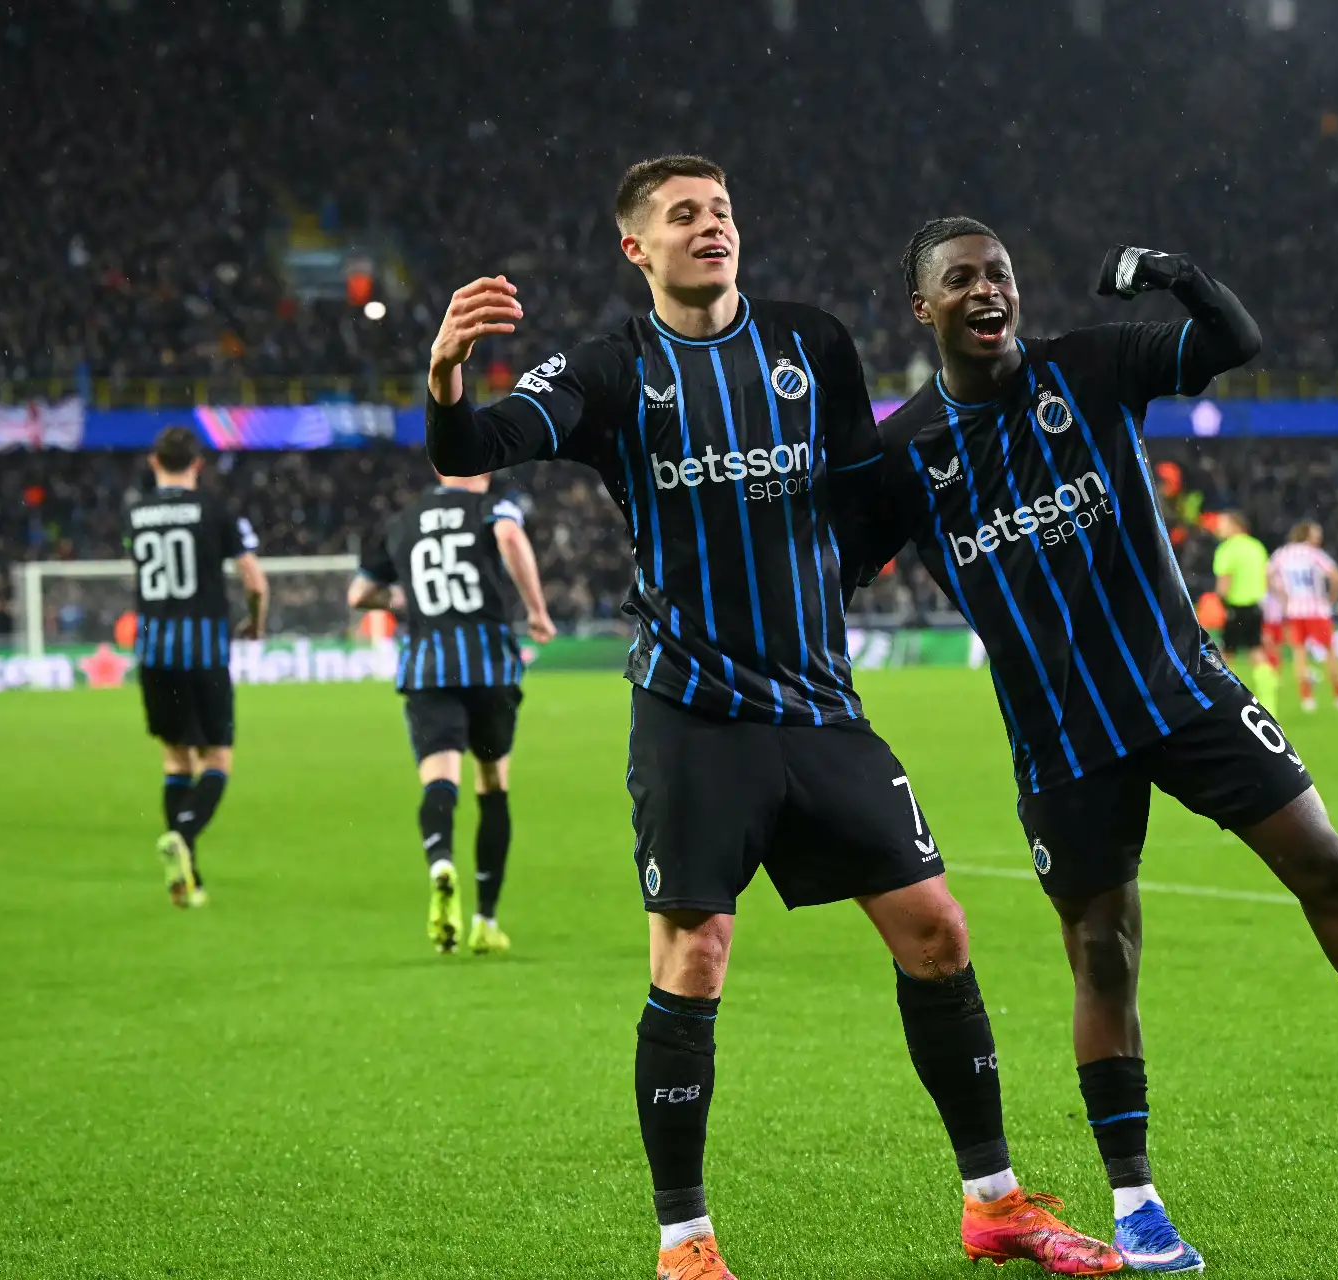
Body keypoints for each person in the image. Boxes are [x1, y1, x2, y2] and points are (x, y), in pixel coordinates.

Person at [420, 157, 1118, 1280]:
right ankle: (683, 1240)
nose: (712, 228)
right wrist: (449, 376)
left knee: (938, 928)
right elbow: (472, 447)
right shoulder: (612, 370)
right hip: (692, 710)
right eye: (684, 216)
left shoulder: (812, 343)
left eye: (724, 211)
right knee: (695, 950)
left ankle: (993, 1202)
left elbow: (861, 495)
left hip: (819, 704)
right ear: (634, 248)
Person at [857, 218, 1338, 1274]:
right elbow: (822, 563)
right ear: (923, 308)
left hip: (1187, 689)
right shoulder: (904, 452)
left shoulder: (1091, 363)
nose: (986, 290)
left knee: (1326, 862)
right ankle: (1138, 1202)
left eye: (999, 273)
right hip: (1064, 735)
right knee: (1105, 953)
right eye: (960, 279)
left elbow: (1231, 340)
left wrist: (1174, 274)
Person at [347, 471, 556, 955]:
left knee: (439, 779)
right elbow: (509, 536)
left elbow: (359, 595)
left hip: (428, 667)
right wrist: (537, 611)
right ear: (481, 468)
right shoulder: (492, 508)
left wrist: (400, 598)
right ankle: (485, 919)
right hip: (489, 666)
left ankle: (441, 860)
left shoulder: (402, 521)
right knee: (492, 783)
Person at [123, 425, 267, 907]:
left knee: (175, 760)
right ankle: (183, 837)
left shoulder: (137, 514)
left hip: (154, 651)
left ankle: (186, 880)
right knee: (217, 760)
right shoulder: (215, 509)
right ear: (198, 463)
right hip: (203, 650)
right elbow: (255, 580)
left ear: (153, 462)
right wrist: (256, 620)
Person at [1268, 522, 1338, 713]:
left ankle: (1307, 699)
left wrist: (1283, 598)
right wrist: (1331, 599)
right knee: (1329, 653)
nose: (1319, 537)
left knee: (1299, 653)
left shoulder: (1282, 554)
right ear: (1307, 534)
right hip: (1316, 611)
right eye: (1316, 533)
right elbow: (1336, 576)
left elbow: (1268, 575)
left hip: (1294, 611)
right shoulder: (1313, 554)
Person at [1210, 511, 1279, 711]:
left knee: (1224, 657)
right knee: (1256, 651)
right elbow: (1266, 577)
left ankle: (1222, 703)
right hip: (1255, 607)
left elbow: (1224, 583)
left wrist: (1220, 602)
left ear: (1236, 525)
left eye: (1223, 524)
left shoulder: (1227, 549)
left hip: (1235, 608)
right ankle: (1269, 703)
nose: (1219, 528)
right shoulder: (1256, 546)